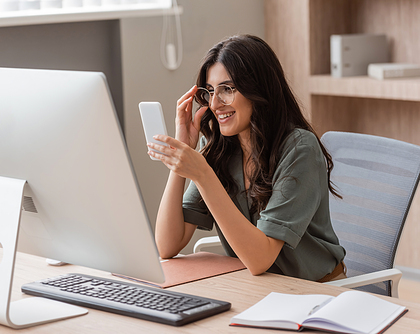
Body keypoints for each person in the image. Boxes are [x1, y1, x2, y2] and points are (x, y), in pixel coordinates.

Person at [147, 34, 346, 282]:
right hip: (260, 288)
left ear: (258, 90)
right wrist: (181, 155)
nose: (215, 104)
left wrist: (202, 174)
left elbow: (260, 259)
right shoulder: (220, 152)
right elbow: (168, 245)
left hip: (315, 292)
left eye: (227, 89)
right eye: (209, 92)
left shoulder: (299, 148)